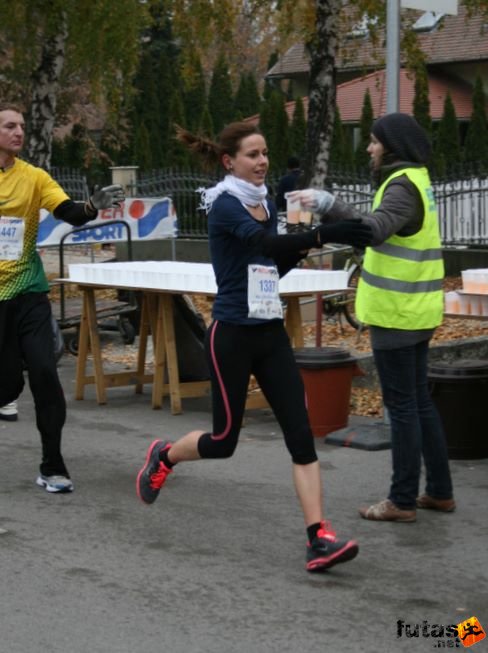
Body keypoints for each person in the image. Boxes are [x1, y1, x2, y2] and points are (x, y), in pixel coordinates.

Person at [136, 121, 373, 572]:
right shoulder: (225, 205)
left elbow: (270, 264)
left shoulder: (264, 202)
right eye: (253, 154)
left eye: (265, 153)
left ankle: (318, 538)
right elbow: (264, 242)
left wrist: (303, 247)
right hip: (232, 335)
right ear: (230, 161)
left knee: (301, 437)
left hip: (269, 332)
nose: (262, 161)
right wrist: (325, 236)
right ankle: (163, 455)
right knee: (224, 441)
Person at [291, 112, 455, 522]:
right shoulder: (417, 180)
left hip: (398, 314)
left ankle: (401, 500)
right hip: (416, 310)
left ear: (392, 146)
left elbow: (376, 229)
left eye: (374, 141)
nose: (368, 148)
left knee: (402, 407)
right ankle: (438, 492)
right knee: (418, 403)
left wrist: (330, 206)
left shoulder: (401, 185)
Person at [0, 102, 125, 493]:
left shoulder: (34, 177)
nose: (19, 132)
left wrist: (93, 207)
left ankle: (52, 465)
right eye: (9, 126)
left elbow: (68, 211)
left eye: (21, 125)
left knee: (44, 372)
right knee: (6, 387)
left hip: (30, 293)